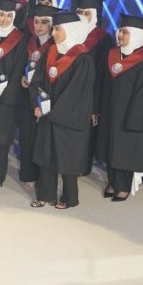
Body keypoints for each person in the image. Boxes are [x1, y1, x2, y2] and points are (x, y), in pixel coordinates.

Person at [29, 12, 94, 209]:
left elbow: (76, 93)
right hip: (47, 114)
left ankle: (69, 197)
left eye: (57, 29)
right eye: (53, 29)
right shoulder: (50, 52)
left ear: (71, 30)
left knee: (67, 158)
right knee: (45, 155)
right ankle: (45, 194)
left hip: (68, 118)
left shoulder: (83, 59)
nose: (53, 33)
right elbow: (37, 81)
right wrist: (37, 104)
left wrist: (54, 111)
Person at [97, 14, 143, 202]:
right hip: (110, 112)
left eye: (125, 32)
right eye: (120, 31)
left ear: (137, 35)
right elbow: (102, 84)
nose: (120, 35)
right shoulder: (111, 55)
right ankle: (112, 181)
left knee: (126, 152)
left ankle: (123, 186)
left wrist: (134, 117)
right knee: (110, 148)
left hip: (130, 116)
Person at [0, 0, 26, 192]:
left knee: (0, 138)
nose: (5, 19)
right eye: (1, 15)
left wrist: (3, 93)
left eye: (9, 16)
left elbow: (18, 71)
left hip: (7, 98)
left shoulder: (19, 39)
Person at [17, 5, 57, 188]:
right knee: (27, 137)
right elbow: (21, 65)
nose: (39, 26)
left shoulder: (55, 46)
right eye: (36, 21)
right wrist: (22, 78)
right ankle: (28, 173)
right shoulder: (29, 42)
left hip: (45, 98)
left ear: (52, 24)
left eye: (44, 22)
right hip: (26, 97)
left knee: (42, 139)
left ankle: (42, 176)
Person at [73, 0, 113, 174]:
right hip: (71, 91)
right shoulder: (69, 33)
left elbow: (104, 75)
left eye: (87, 13)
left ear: (94, 15)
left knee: (87, 131)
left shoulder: (103, 39)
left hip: (92, 92)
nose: (83, 16)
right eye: (79, 12)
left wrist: (96, 104)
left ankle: (83, 166)